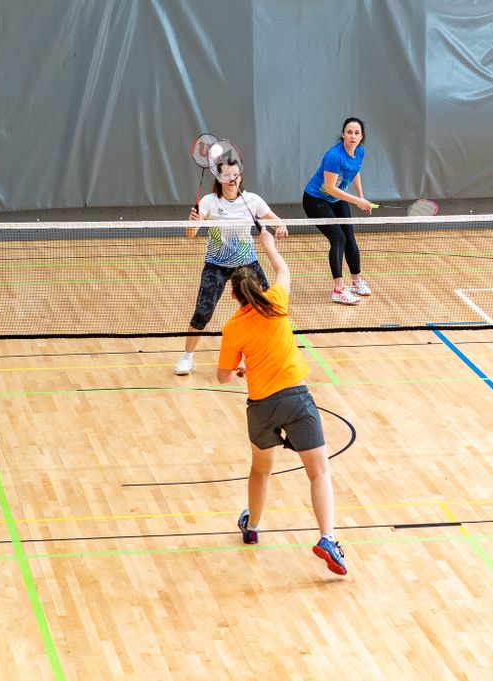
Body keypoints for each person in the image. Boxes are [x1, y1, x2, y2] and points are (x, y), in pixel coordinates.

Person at [216, 226, 347, 576]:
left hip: (262, 406)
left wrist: (241, 364)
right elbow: (284, 270)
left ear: (234, 296)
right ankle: (327, 539)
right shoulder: (276, 299)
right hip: (296, 399)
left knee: (261, 469)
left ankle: (252, 527)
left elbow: (223, 376)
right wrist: (269, 244)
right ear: (259, 288)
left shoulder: (233, 327)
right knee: (319, 472)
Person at [174, 157, 287, 375]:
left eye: (235, 174)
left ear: (240, 177)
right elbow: (190, 234)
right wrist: (192, 223)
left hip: (246, 265)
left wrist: (280, 228)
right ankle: (187, 358)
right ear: (219, 178)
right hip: (216, 264)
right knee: (202, 313)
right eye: (226, 175)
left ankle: (270, 353)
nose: (231, 179)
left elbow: (277, 221)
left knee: (266, 307)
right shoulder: (209, 201)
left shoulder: (252, 200)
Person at [302, 117, 374, 305]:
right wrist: (357, 201)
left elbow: (354, 171)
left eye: (356, 133)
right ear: (343, 134)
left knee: (349, 238)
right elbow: (330, 188)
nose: (353, 136)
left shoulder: (359, 151)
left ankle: (356, 281)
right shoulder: (334, 156)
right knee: (338, 238)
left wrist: (361, 196)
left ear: (361, 136)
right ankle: (338, 289)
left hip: (336, 199)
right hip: (315, 200)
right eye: (349, 132)